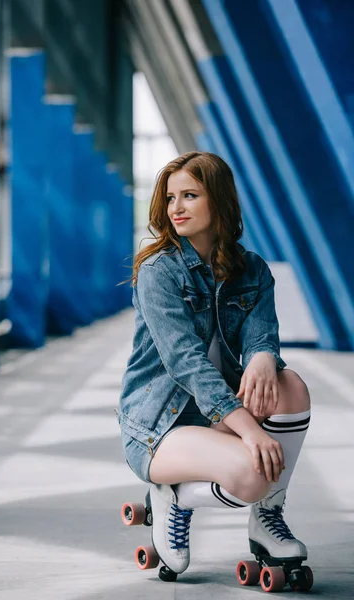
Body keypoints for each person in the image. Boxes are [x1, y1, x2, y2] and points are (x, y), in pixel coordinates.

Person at [118, 151, 311, 575]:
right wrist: (249, 431)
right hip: (160, 427)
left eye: (190, 195)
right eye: (171, 198)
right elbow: (185, 362)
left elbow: (262, 335)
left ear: (218, 201)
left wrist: (262, 358)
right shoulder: (159, 271)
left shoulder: (252, 270)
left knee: (290, 385)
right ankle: (174, 496)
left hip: (218, 416)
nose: (176, 208)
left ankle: (267, 517)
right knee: (252, 475)